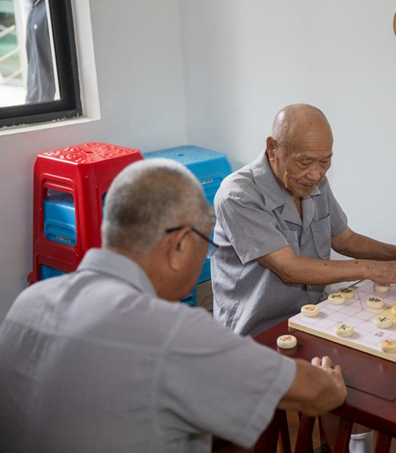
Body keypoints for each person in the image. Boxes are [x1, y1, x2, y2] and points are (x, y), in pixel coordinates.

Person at [0, 159, 346, 453]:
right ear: (179, 245)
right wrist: (328, 380)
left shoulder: (28, 303)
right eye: (206, 243)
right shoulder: (171, 331)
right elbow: (316, 393)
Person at [211, 104, 396, 337]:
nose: (316, 174)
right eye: (304, 162)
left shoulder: (312, 180)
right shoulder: (239, 196)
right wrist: (372, 268)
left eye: (324, 162)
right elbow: (289, 269)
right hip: (257, 331)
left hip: (314, 314)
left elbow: (345, 240)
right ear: (273, 148)